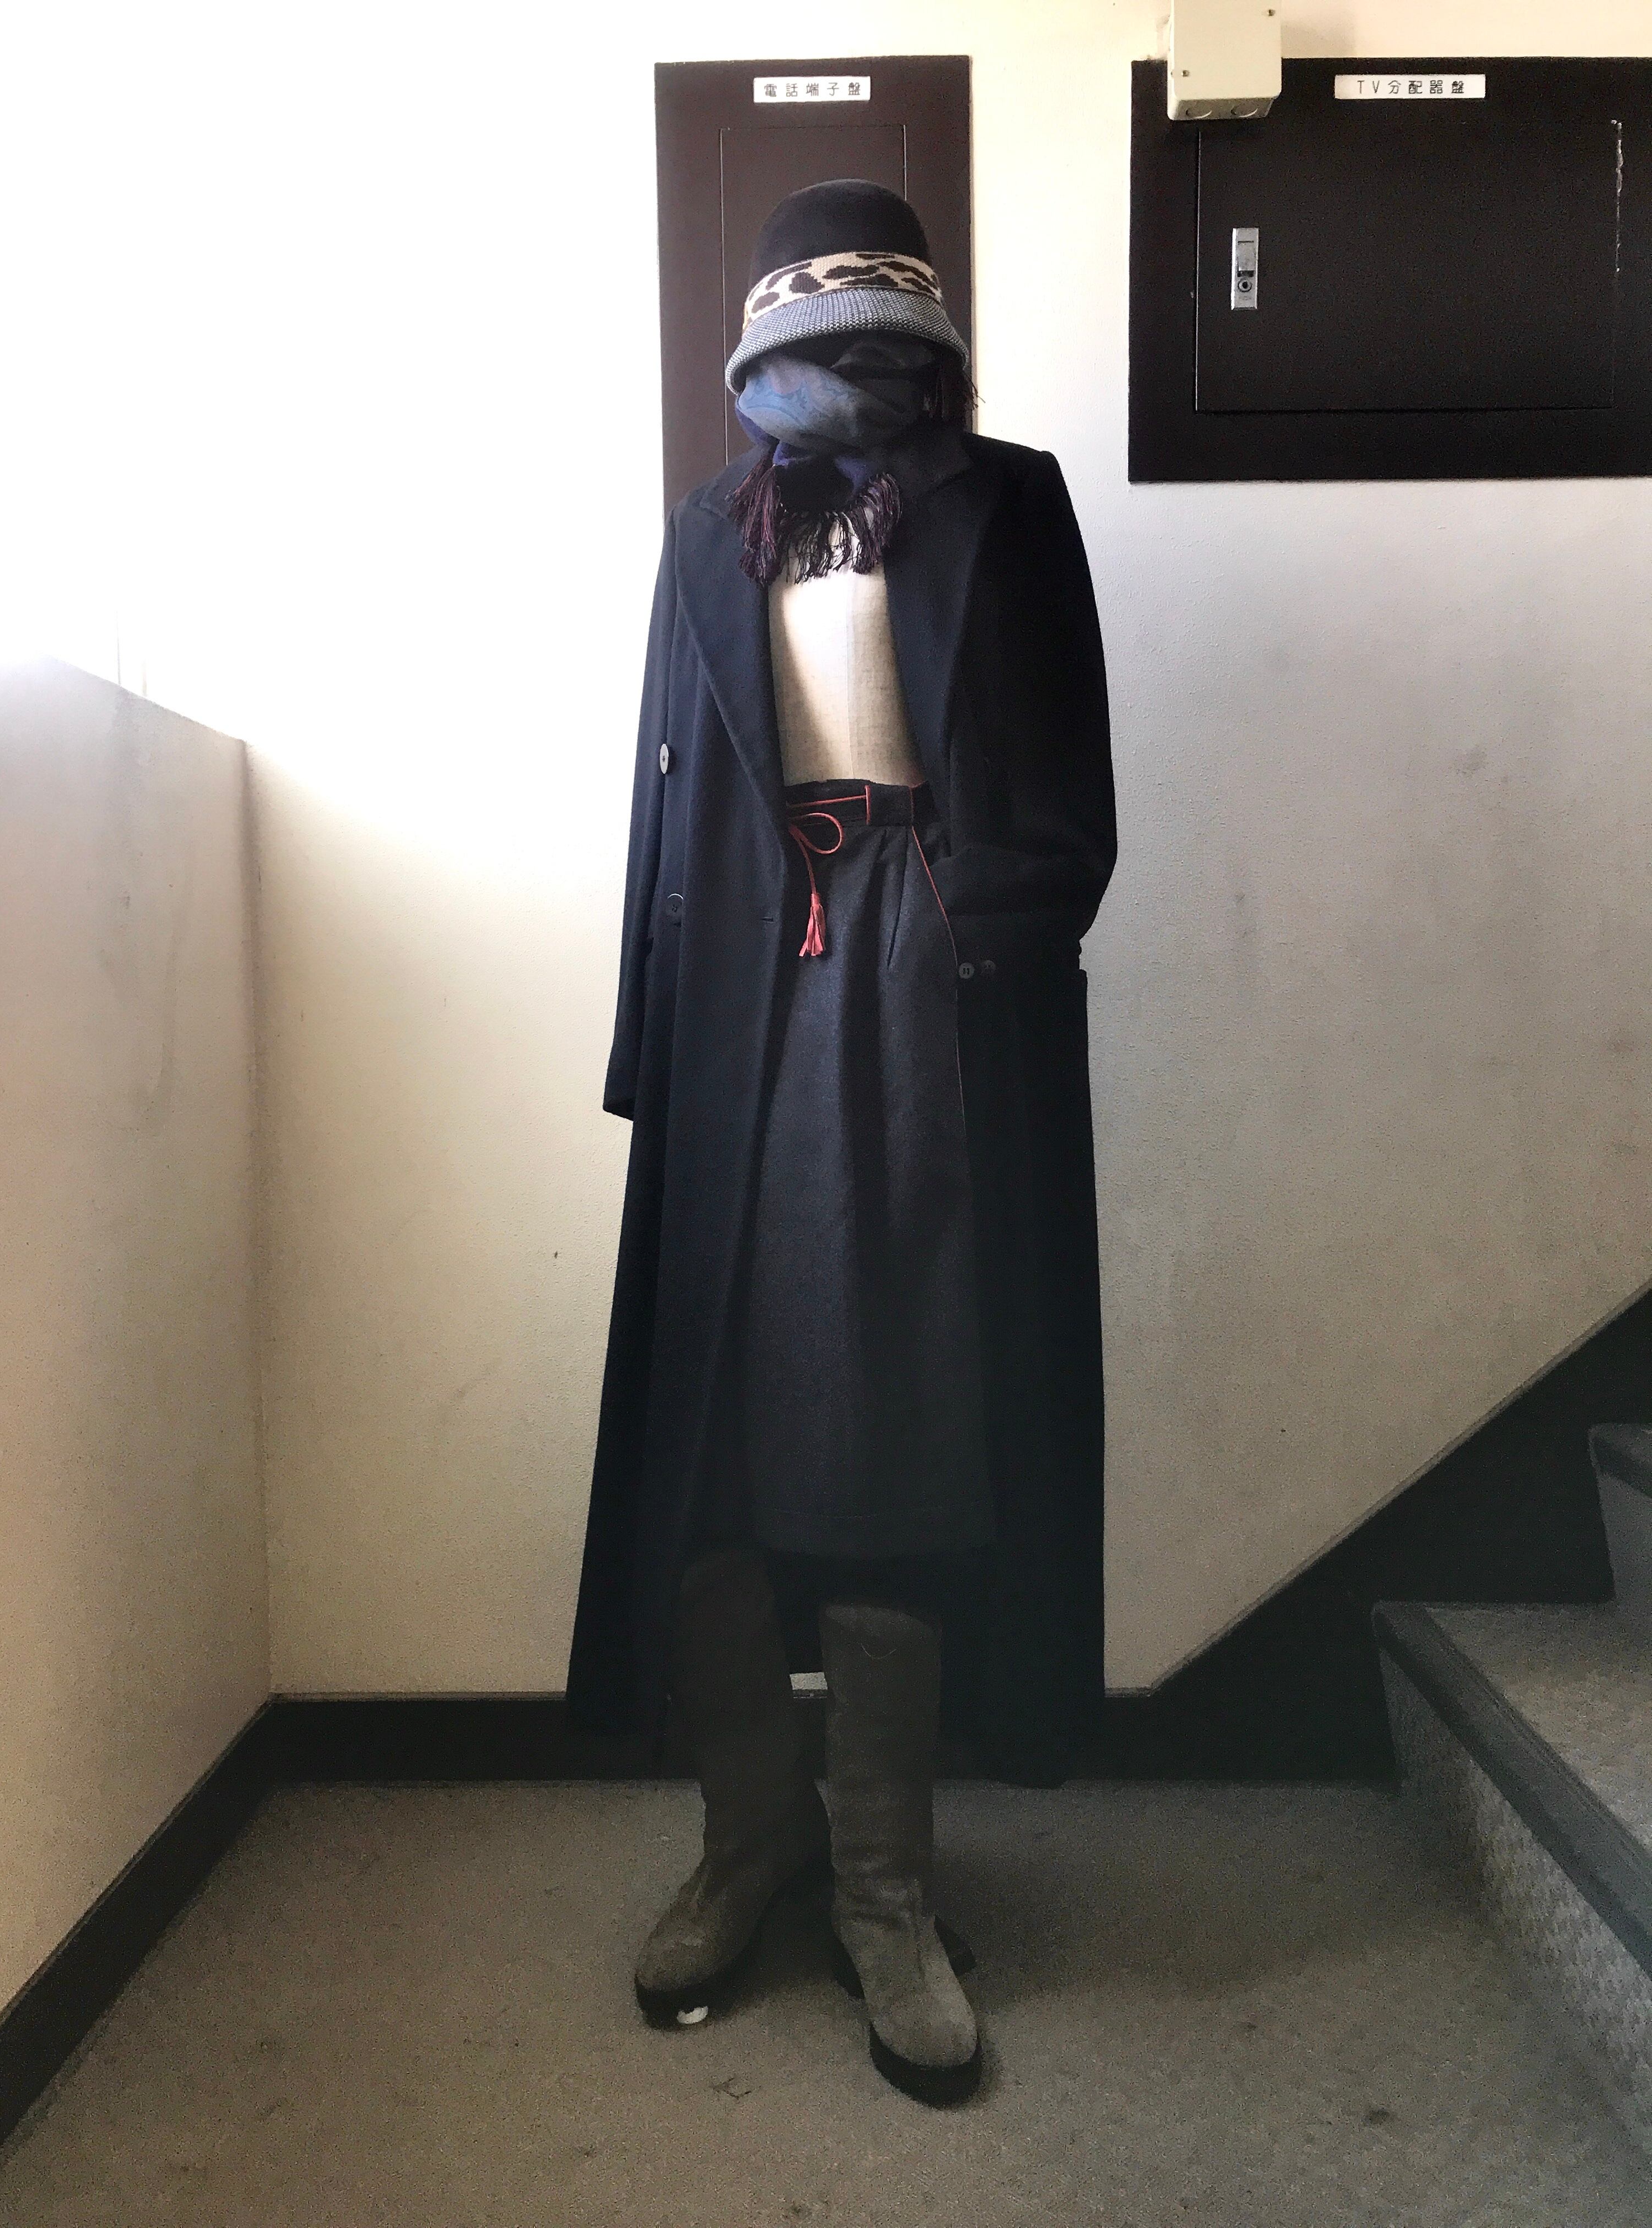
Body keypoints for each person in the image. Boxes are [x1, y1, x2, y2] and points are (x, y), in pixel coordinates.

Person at [566, 179, 1117, 2106]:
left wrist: (984, 932)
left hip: (925, 984)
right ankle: (751, 1844)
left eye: (866, 336)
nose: (831, 368)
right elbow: (661, 801)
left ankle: (886, 1890)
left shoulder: (1008, 504)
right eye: (800, 340)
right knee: (714, 1433)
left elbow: (1070, 783)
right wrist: (648, 1045)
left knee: (908, 1416)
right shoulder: (706, 534)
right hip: (742, 1004)